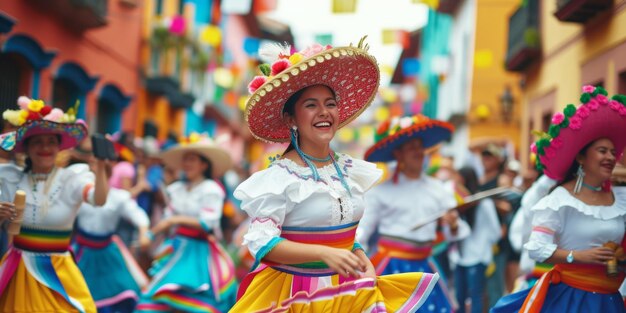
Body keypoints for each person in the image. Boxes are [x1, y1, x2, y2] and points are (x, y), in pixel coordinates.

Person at [231, 40, 439, 312]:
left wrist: (361, 256)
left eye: (330, 103)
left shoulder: (348, 170)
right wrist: (324, 254)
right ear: (291, 118)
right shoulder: (279, 178)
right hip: (295, 294)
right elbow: (261, 243)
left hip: (349, 290)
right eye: (311, 105)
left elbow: (343, 229)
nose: (324, 112)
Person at [491, 85, 626, 312]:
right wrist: (579, 256)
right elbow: (536, 248)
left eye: (614, 152)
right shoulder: (560, 200)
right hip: (572, 299)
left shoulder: (620, 198)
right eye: (602, 151)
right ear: (582, 156)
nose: (610, 157)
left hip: (610, 300)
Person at [0, 96, 109, 312]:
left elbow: (99, 199)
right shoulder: (10, 179)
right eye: (38, 142)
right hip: (19, 271)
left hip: (58, 272)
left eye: (51, 142)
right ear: (27, 148)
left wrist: (102, 168)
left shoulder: (72, 179)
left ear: (59, 147)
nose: (45, 147)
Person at [357, 114, 470, 312]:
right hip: (391, 268)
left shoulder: (439, 189)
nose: (418, 152)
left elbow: (459, 232)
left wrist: (452, 223)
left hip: (425, 264)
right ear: (398, 154)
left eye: (420, 147)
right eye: (411, 148)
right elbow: (362, 233)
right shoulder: (380, 192)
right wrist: (357, 266)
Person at [135, 133, 237, 313]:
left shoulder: (211, 190)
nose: (187, 164)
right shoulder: (177, 189)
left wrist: (175, 220)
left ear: (204, 164)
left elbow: (207, 223)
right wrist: (149, 235)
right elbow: (168, 220)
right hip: (175, 248)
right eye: (185, 159)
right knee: (158, 300)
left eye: (192, 159)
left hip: (199, 254)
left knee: (192, 303)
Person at [72, 153, 151, 312]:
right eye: (93, 164)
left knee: (120, 290)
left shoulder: (119, 197)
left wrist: (144, 233)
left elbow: (139, 215)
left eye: (101, 165)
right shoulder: (77, 193)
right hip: (81, 251)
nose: (97, 168)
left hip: (107, 252)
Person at [450, 167, 501, 313]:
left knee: (476, 296)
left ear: (465, 180)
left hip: (478, 257)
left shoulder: (484, 203)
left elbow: (495, 232)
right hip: (460, 257)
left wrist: (484, 245)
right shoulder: (459, 204)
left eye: (457, 177)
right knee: (459, 296)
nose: (455, 181)